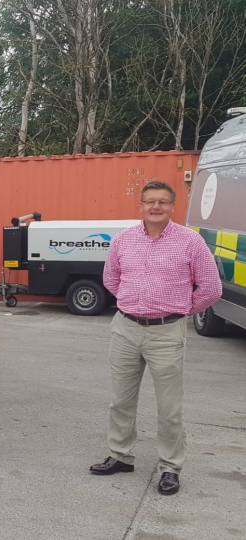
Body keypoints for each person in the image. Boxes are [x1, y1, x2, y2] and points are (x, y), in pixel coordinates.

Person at [89, 180, 222, 495]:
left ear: (172, 206)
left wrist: (183, 310)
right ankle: (120, 455)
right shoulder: (124, 240)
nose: (156, 207)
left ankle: (170, 467)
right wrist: (131, 300)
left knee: (169, 405)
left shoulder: (191, 242)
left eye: (163, 201)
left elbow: (211, 288)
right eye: (150, 201)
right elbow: (111, 277)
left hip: (167, 331)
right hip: (125, 328)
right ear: (141, 206)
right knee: (120, 400)